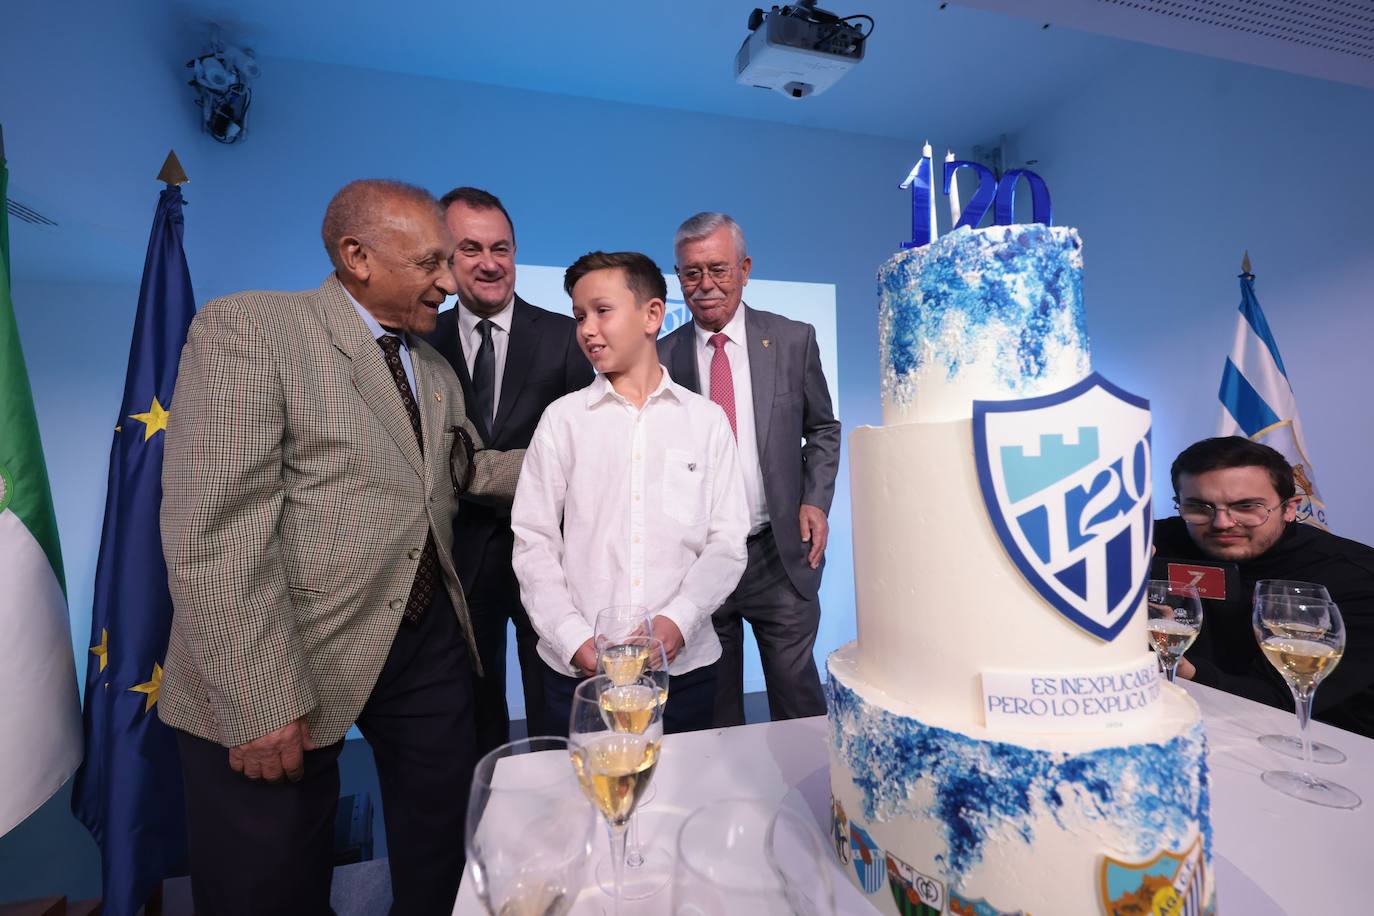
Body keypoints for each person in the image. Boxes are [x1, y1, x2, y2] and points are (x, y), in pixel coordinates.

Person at [159, 179, 524, 915]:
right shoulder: (252, 330)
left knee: (446, 850)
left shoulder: (433, 370)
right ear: (357, 255)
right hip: (285, 650)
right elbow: (215, 531)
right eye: (431, 263)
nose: (451, 284)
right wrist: (259, 701)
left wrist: (606, 443)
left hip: (423, 646)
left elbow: (467, 471)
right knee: (271, 881)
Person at [511, 250, 748, 734]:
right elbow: (533, 539)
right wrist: (573, 639)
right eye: (579, 317)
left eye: (602, 311)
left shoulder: (705, 421)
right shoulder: (563, 420)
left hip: (685, 673)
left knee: (685, 801)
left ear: (652, 315)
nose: (587, 330)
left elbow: (727, 541)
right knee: (589, 805)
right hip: (581, 674)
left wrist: (678, 623)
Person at [421, 187, 591, 752]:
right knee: (473, 709)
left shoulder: (567, 338)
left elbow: (586, 452)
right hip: (458, 555)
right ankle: (491, 817)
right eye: (470, 248)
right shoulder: (422, 343)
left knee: (560, 704)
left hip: (552, 555)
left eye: (502, 247)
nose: (490, 263)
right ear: (445, 255)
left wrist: (479, 471)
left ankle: (567, 817)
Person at [657, 212, 841, 727]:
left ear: (745, 269)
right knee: (714, 709)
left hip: (778, 556)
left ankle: (812, 803)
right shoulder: (661, 360)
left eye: (718, 269)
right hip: (699, 563)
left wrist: (815, 499)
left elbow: (823, 428)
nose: (705, 285)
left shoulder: (792, 340)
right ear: (678, 278)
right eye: (691, 273)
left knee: (797, 700)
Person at [1155, 436, 1374, 738]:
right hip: (1179, 725)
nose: (1222, 523)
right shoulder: (1148, 542)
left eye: (1246, 506)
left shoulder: (1356, 575)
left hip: (1321, 742)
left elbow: (1281, 698)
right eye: (1199, 507)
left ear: (1290, 508)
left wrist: (1184, 670)